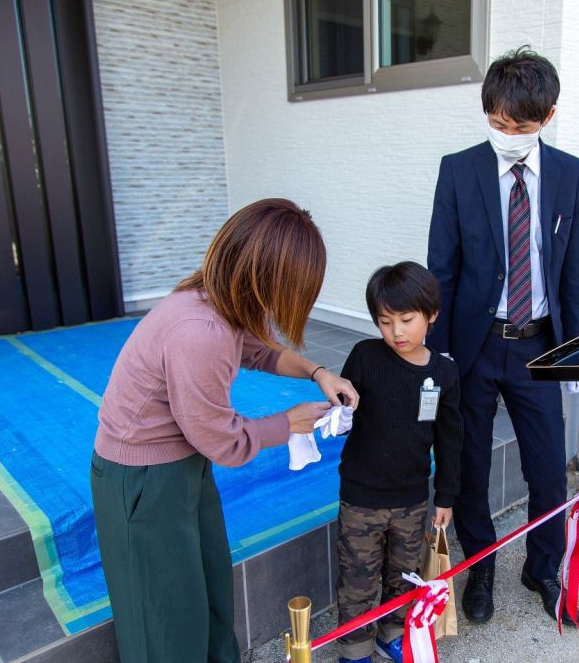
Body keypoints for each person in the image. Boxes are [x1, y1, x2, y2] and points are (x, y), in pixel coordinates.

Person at [90, 199, 359, 663]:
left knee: (209, 591)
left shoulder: (216, 303)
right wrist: (289, 424)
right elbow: (224, 442)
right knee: (166, 622)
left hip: (180, 467)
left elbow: (263, 352)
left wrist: (318, 372)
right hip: (142, 481)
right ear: (269, 278)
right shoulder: (200, 331)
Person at [427, 47, 579, 625]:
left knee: (547, 468)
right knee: (469, 466)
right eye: (496, 124)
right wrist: (439, 356)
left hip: (541, 345)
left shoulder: (569, 174)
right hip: (474, 345)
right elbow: (440, 269)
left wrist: (576, 359)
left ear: (547, 117)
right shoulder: (458, 169)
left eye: (519, 127)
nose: (507, 135)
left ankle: (541, 566)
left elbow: (574, 271)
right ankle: (483, 569)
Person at [334, 261, 462, 663]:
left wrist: (446, 494)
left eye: (407, 320)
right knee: (357, 578)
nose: (397, 332)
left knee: (403, 575)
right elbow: (341, 408)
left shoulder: (445, 372)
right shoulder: (365, 356)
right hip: (361, 497)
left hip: (412, 498)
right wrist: (337, 411)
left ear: (431, 315)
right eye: (386, 322)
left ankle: (391, 632)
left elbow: (449, 436)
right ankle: (354, 649)